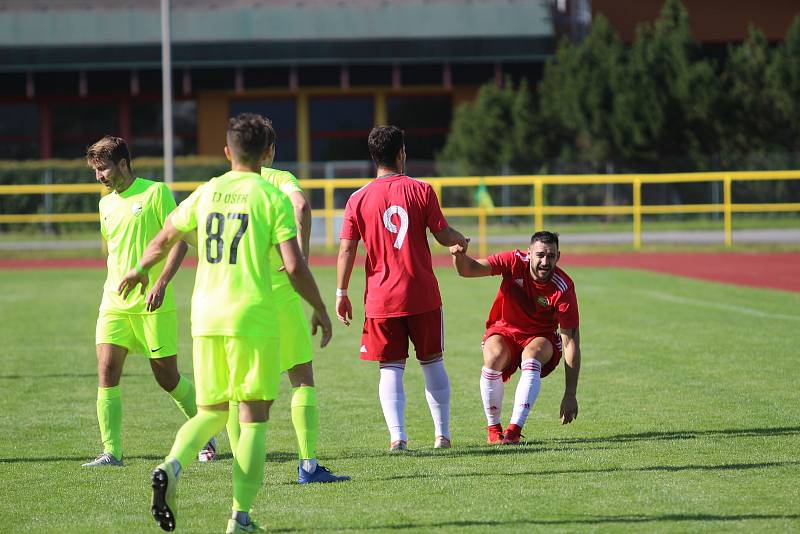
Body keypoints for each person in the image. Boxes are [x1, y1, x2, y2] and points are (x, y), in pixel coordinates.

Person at [118, 113, 332, 533]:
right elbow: (294, 265)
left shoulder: (208, 190)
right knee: (253, 417)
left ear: (226, 152)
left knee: (211, 411)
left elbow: (165, 235)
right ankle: (241, 518)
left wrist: (142, 269)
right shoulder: (270, 197)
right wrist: (320, 308)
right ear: (268, 153)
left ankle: (172, 465)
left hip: (205, 316)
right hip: (250, 315)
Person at [225, 118, 349, 484]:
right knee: (301, 377)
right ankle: (308, 465)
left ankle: (242, 464)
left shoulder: (222, 187)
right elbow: (302, 207)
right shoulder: (279, 179)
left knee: (240, 388)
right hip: (280, 293)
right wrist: (302, 253)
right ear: (271, 151)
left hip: (238, 298)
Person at [83, 135, 215, 467]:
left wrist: (161, 282)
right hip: (114, 302)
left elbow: (181, 242)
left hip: (152, 303)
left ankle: (205, 431)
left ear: (123, 164)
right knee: (106, 371)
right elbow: (115, 252)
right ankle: (111, 452)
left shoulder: (155, 192)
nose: (99, 176)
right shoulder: (105, 204)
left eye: (103, 169)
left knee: (167, 377)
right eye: (95, 170)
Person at [335, 125, 468, 451]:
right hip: (421, 292)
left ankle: (398, 438)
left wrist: (341, 292)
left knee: (390, 367)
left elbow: (347, 250)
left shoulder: (358, 198)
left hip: (381, 298)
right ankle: (442, 435)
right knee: (433, 362)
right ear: (401, 154)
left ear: (373, 157)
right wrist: (460, 240)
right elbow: (441, 234)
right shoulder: (421, 190)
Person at [449, 231, 581, 445]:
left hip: (541, 337)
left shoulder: (563, 287)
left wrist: (570, 394)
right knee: (493, 357)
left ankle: (514, 431)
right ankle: (493, 429)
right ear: (529, 253)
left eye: (551, 256)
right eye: (539, 255)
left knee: (532, 354)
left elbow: (571, 344)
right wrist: (458, 256)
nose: (545, 262)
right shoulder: (513, 261)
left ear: (558, 256)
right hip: (505, 330)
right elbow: (468, 270)